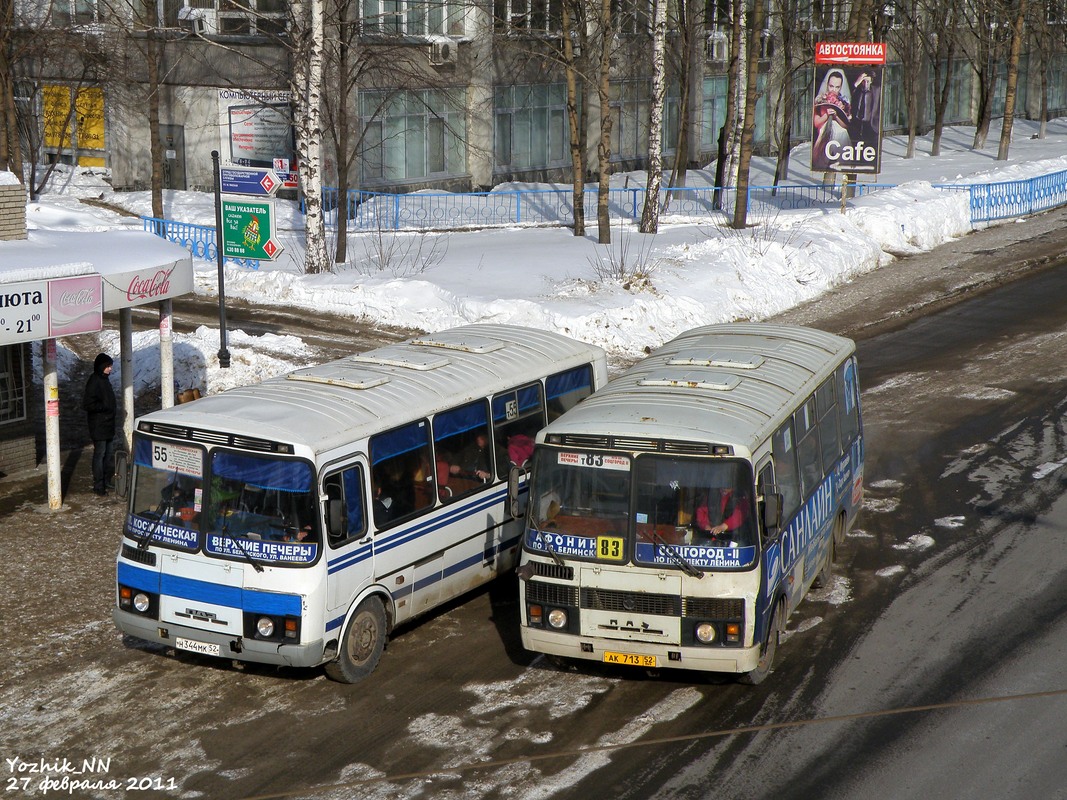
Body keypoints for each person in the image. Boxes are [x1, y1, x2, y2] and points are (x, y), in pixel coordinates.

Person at [83, 352, 117, 496]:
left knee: (108, 454)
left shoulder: (104, 379)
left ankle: (105, 480)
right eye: (108, 366)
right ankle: (99, 484)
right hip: (99, 425)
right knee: (100, 454)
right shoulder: (95, 380)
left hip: (108, 424)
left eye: (110, 366)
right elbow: (88, 404)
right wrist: (104, 408)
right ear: (101, 366)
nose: (110, 369)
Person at [812, 68, 852, 171]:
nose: (834, 90)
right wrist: (826, 115)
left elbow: (846, 125)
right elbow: (816, 123)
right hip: (824, 137)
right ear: (827, 85)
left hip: (841, 136)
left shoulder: (844, 101)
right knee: (823, 165)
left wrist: (836, 116)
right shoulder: (820, 100)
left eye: (837, 87)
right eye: (831, 86)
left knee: (843, 166)